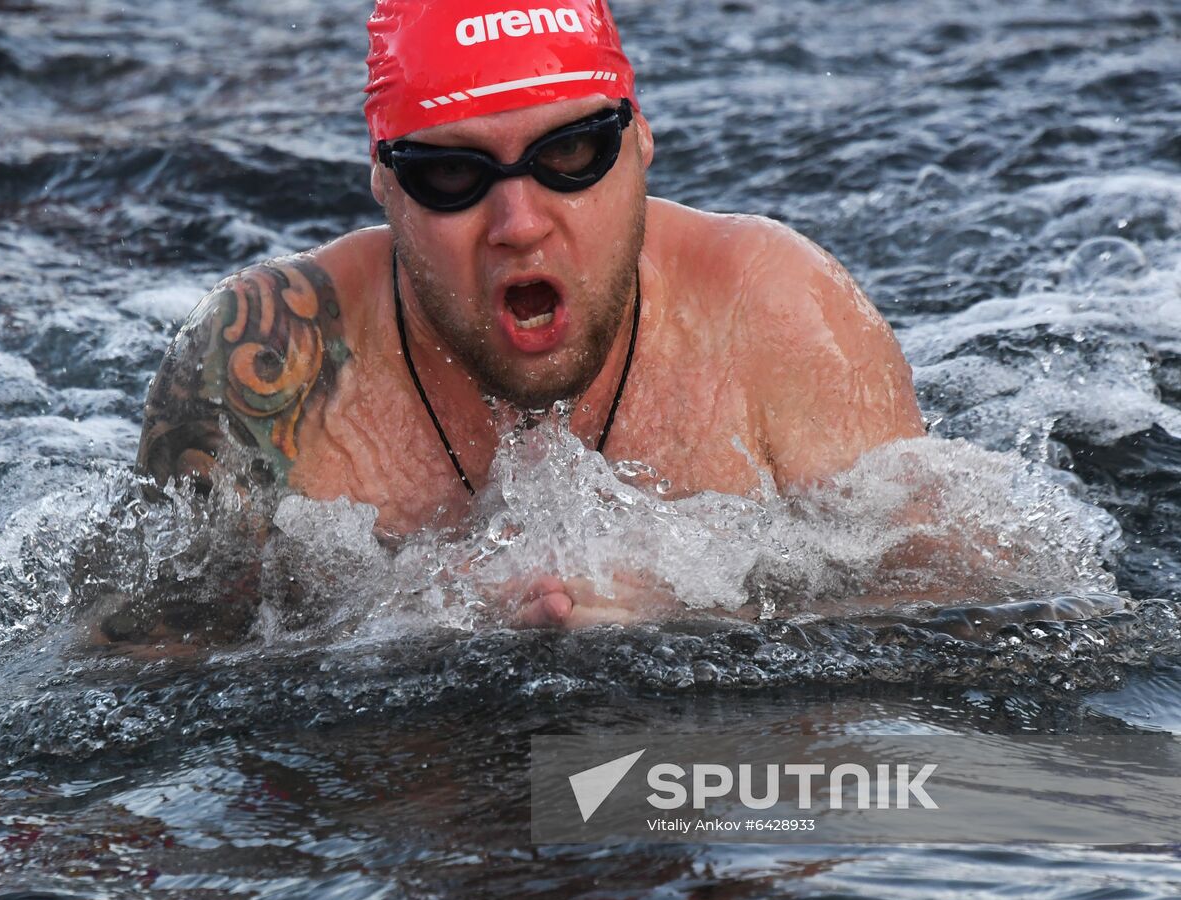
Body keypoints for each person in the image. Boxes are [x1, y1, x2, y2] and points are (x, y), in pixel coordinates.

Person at [133, 0, 925, 631]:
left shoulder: (779, 310)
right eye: (452, 173)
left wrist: (703, 612)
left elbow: (954, 604)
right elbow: (137, 669)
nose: (519, 223)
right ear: (384, 182)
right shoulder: (267, 364)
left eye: (571, 154)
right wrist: (409, 622)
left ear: (640, 139)